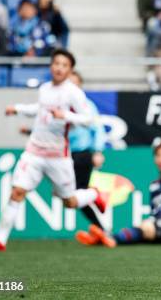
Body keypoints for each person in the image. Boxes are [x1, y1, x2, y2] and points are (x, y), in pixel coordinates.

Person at [0, 49, 107, 251]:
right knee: (17, 191)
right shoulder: (45, 88)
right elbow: (40, 110)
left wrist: (66, 115)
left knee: (69, 202)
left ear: (70, 69)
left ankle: (93, 194)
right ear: (51, 65)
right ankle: (0, 240)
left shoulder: (73, 93)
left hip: (58, 157)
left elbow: (89, 120)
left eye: (64, 65)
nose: (59, 68)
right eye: (56, 63)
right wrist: (18, 109)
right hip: (34, 152)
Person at [76, 135, 161, 247]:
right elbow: (155, 212)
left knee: (145, 227)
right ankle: (103, 240)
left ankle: (109, 237)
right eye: (158, 155)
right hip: (156, 225)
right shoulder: (154, 185)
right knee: (140, 230)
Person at [67, 71, 107, 238]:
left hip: (82, 155)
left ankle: (101, 230)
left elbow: (98, 129)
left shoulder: (86, 105)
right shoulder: (60, 106)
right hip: (64, 155)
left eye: (75, 84)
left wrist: (97, 151)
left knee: (74, 195)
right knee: (72, 196)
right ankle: (101, 230)